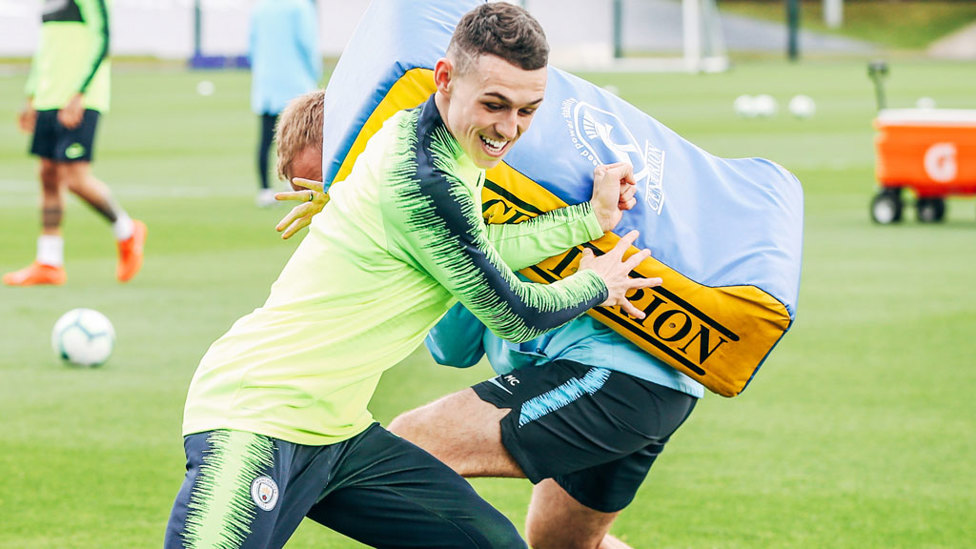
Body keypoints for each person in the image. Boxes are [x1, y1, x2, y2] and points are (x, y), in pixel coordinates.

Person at [165, 4, 657, 548]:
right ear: (444, 80)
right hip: (257, 416)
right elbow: (513, 313)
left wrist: (590, 220)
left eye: (527, 110)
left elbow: (482, 248)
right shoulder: (425, 179)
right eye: (495, 105)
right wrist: (597, 283)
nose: (508, 128)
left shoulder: (438, 142)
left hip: (337, 435)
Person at [391, 305, 702, 549]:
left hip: (608, 375)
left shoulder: (479, 225)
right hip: (667, 381)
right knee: (562, 541)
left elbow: (454, 348)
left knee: (407, 446)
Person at [4, 0, 146, 287]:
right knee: (47, 175)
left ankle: (127, 229)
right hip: (48, 98)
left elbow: (102, 38)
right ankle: (49, 262)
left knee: (74, 177)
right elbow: (47, 47)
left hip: (79, 99)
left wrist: (80, 92)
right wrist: (32, 94)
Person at [249, 0, 321, 207]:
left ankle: (264, 189)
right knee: (303, 139)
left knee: (265, 139)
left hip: (266, 83)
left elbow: (252, 46)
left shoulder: (260, 7)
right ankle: (297, 182)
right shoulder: (300, 7)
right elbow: (308, 44)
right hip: (296, 83)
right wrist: (314, 74)